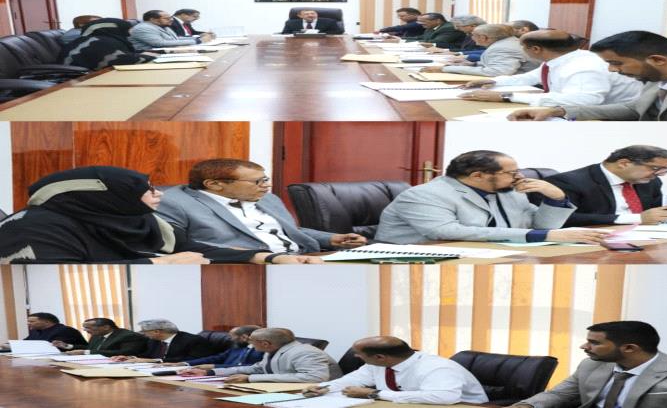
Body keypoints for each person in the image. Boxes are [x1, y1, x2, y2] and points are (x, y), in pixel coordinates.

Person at [0, 166, 323, 264]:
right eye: (146, 189)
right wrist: (160, 264)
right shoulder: (33, 229)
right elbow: (67, 271)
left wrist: (265, 258)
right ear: (106, 196)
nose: (159, 195)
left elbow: (191, 248)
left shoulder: (135, 218)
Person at [375, 150, 610, 245]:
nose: (519, 177)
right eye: (511, 173)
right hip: (415, 257)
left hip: (487, 252)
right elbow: (446, 232)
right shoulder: (424, 195)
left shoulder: (508, 191)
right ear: (478, 176)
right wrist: (545, 235)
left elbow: (540, 226)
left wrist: (555, 198)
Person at [508, 31, 667, 121]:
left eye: (616, 63)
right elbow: (635, 109)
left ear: (657, 60)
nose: (612, 70)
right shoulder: (659, 75)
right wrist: (559, 111)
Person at [512, 321, 667, 408]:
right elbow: (559, 395)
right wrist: (527, 406)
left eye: (594, 343)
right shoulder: (592, 365)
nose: (584, 347)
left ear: (629, 348)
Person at [156, 159, 367, 253]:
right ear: (215, 185)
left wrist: (330, 239)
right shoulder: (173, 202)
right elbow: (177, 245)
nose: (266, 186)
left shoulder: (267, 198)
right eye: (257, 181)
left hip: (306, 257)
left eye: (265, 179)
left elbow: (287, 230)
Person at [459, 29, 641, 106]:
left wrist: (506, 97)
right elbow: (529, 78)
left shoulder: (583, 66)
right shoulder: (560, 59)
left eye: (522, 47)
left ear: (536, 49)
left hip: (606, 118)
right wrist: (493, 82)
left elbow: (586, 100)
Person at [304, 336, 488, 404]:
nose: (356, 357)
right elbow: (353, 380)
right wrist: (324, 388)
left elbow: (444, 397)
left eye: (359, 354)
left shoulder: (436, 367)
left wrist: (375, 394)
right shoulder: (377, 365)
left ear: (380, 357)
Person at [546, 145, 667, 227]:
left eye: (666, 170)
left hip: (644, 237)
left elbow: (652, 211)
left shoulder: (651, 181)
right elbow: (563, 219)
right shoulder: (568, 181)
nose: (660, 174)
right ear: (624, 163)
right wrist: (637, 219)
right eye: (655, 168)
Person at [180, 328, 342, 383]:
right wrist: (208, 372)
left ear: (265, 343)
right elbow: (256, 369)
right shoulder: (272, 351)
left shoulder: (305, 352)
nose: (249, 343)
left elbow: (314, 378)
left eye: (252, 341)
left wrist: (250, 379)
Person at [423, 24, 535, 77]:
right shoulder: (507, 42)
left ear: (483, 37)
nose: (471, 38)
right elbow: (497, 64)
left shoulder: (502, 48)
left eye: (473, 35)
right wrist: (473, 64)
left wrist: (445, 69)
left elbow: (497, 72)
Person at [59, 18, 158, 71]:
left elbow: (125, 53)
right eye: (126, 30)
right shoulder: (97, 42)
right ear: (114, 30)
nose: (129, 33)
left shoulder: (104, 39)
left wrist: (145, 53)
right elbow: (121, 60)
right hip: (76, 78)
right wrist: (152, 57)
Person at [111, 319, 214, 363]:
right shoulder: (154, 340)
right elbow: (148, 355)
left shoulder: (192, 340)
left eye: (144, 331)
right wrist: (131, 357)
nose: (142, 334)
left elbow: (193, 359)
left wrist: (157, 361)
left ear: (157, 331)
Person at [162, 325, 264, 369]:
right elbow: (215, 358)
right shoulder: (237, 348)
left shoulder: (262, 350)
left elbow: (252, 367)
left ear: (244, 337)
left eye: (233, 337)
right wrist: (183, 363)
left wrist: (215, 367)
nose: (231, 340)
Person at [52, 317, 148, 356]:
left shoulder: (128, 336)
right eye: (84, 328)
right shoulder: (97, 335)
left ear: (106, 327)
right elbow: (91, 348)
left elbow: (125, 352)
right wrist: (68, 346)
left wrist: (85, 352)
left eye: (88, 328)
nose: (85, 330)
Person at [130, 10, 214, 51]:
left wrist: (198, 38)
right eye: (167, 18)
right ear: (153, 19)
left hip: (168, 51)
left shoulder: (163, 26)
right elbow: (160, 43)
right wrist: (198, 41)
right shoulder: (143, 28)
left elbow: (176, 39)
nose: (171, 20)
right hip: (152, 55)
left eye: (170, 17)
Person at [22, 312, 86, 345]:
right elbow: (25, 343)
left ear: (47, 322)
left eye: (32, 322)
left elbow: (58, 347)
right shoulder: (35, 331)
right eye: (28, 321)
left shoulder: (66, 330)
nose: (28, 323)